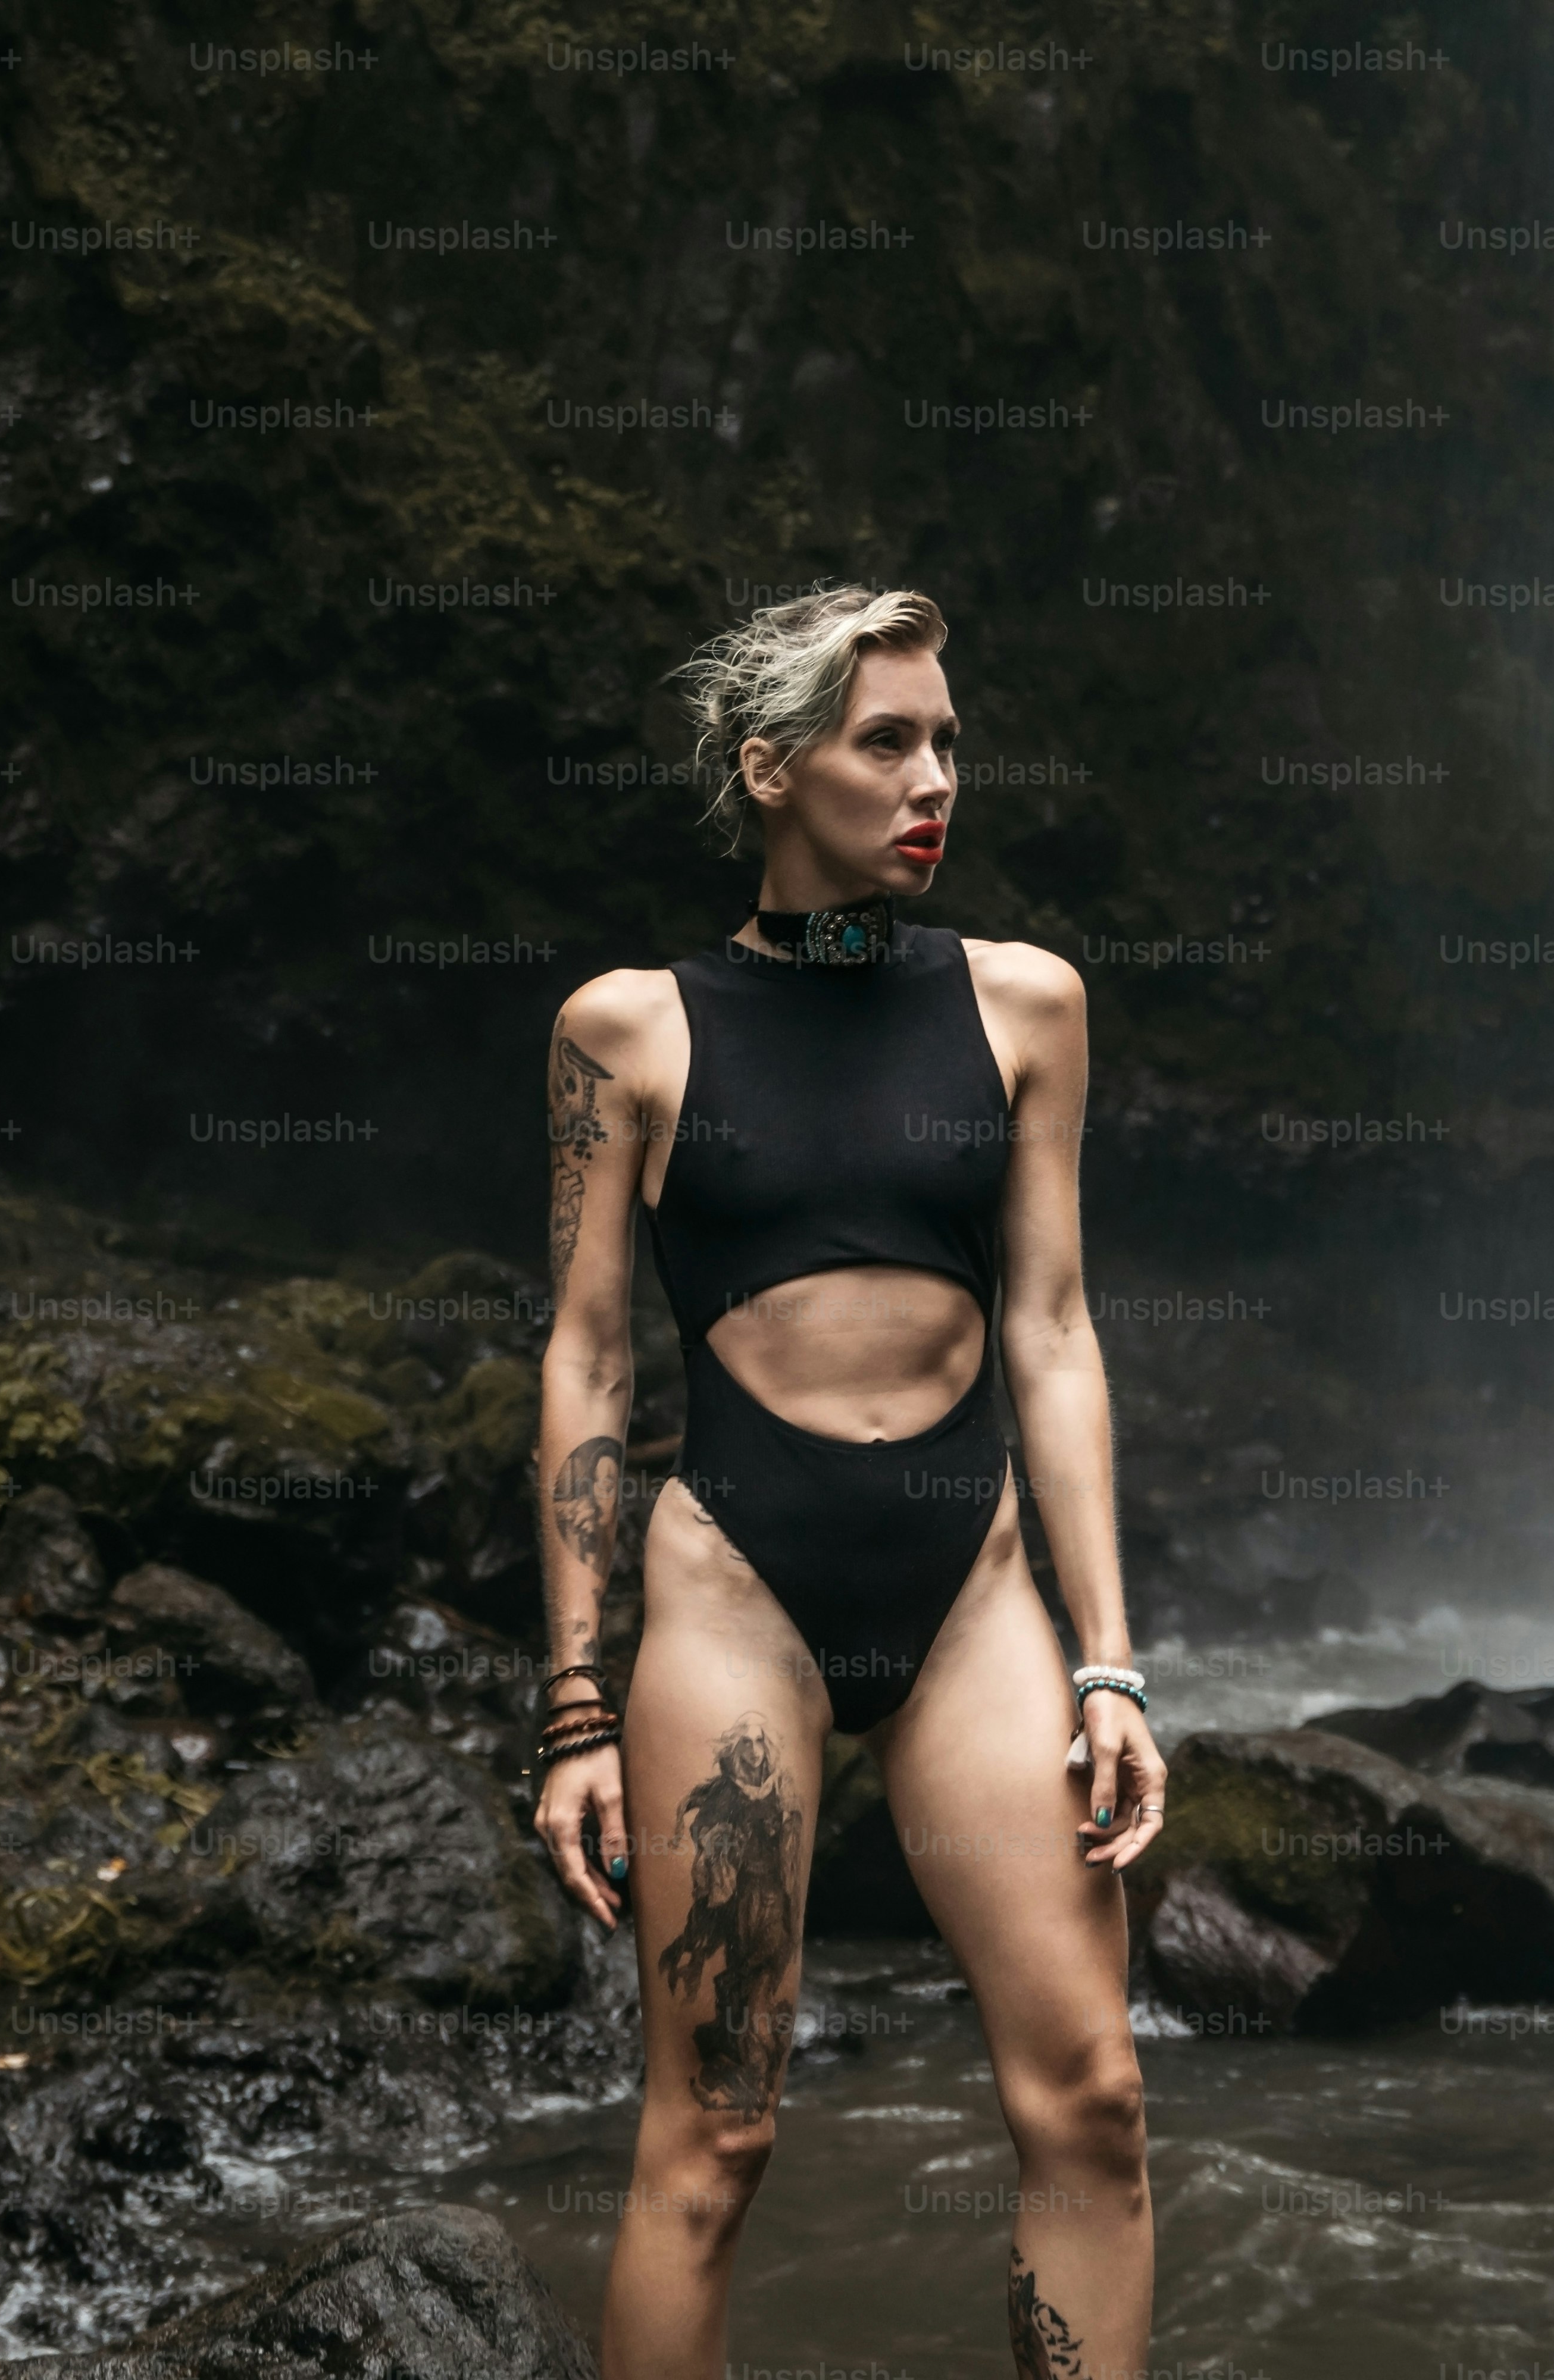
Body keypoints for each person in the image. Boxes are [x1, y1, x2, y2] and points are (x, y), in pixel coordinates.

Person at [529, 585, 1166, 2380]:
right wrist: (576, 1706)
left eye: (948, 741)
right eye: (888, 740)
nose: (933, 777)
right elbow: (587, 1361)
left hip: (970, 1600)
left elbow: (1051, 1330)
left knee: (1094, 2101)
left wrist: (1110, 1661)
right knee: (714, 2139)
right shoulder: (629, 1032)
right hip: (739, 1591)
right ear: (770, 769)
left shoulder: (1027, 1006)